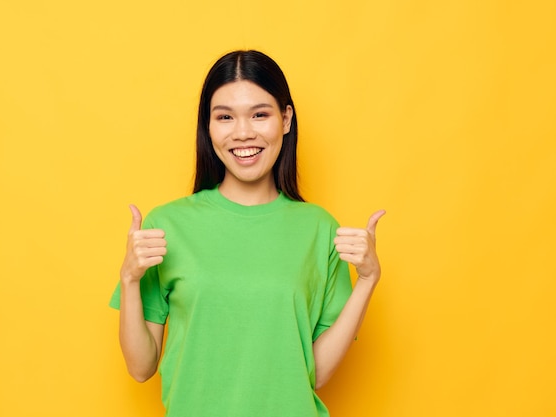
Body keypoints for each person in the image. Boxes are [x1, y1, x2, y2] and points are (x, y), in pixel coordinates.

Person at [109, 50, 385, 417]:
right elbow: (141, 368)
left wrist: (367, 279)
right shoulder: (166, 226)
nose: (243, 133)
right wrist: (129, 279)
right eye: (225, 117)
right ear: (208, 126)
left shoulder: (320, 229)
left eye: (260, 114)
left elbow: (314, 374)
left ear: (285, 119)